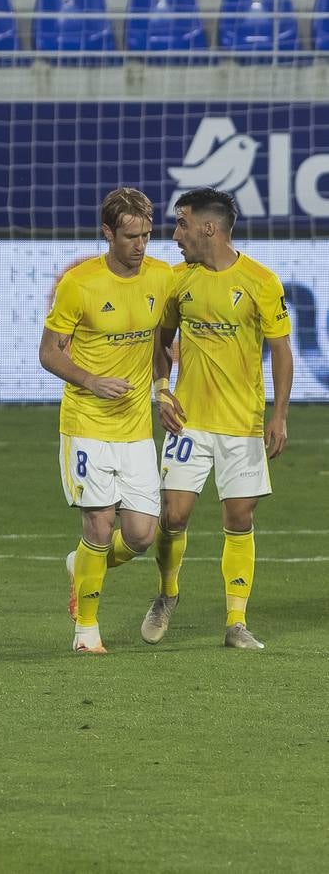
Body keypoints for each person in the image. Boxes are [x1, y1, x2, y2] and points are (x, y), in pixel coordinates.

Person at [147, 187, 292, 650]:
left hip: (242, 422)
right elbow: (160, 340)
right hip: (188, 420)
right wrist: (162, 392)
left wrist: (280, 415)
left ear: (209, 228)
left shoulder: (261, 281)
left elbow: (281, 352)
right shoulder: (177, 280)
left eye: (182, 223)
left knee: (240, 516)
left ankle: (235, 622)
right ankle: (167, 593)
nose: (175, 234)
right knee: (172, 515)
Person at [39, 187, 172, 654]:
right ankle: (86, 631)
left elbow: (161, 341)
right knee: (98, 524)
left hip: (136, 428)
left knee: (140, 535)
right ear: (108, 234)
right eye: (132, 236)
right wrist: (90, 380)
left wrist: (162, 388)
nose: (141, 245)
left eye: (148, 236)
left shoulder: (161, 277)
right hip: (87, 424)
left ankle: (82, 565)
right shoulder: (80, 285)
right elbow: (49, 353)